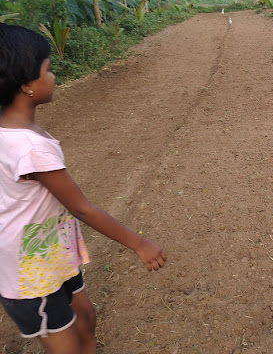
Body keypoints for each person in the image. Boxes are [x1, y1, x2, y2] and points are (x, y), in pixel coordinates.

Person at [0, 23, 167, 353]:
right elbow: (81, 208)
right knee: (67, 346)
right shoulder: (31, 149)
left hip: (50, 253)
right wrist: (139, 244)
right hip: (30, 274)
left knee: (86, 318)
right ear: (25, 85)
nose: (53, 76)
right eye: (47, 69)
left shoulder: (15, 131)